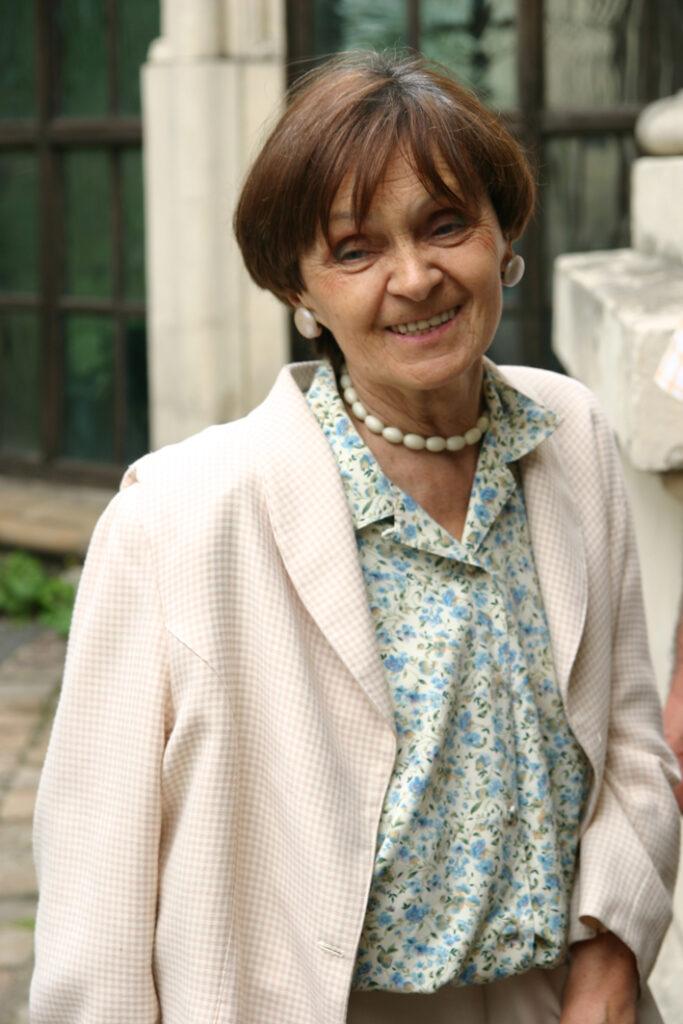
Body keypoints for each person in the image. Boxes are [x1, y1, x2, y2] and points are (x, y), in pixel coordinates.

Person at [30, 52, 680, 1024]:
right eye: (353, 249)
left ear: (502, 233)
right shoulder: (176, 518)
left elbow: (629, 745)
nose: (414, 278)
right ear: (298, 287)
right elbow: (98, 901)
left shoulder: (570, 437)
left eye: (445, 225)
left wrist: (610, 962)